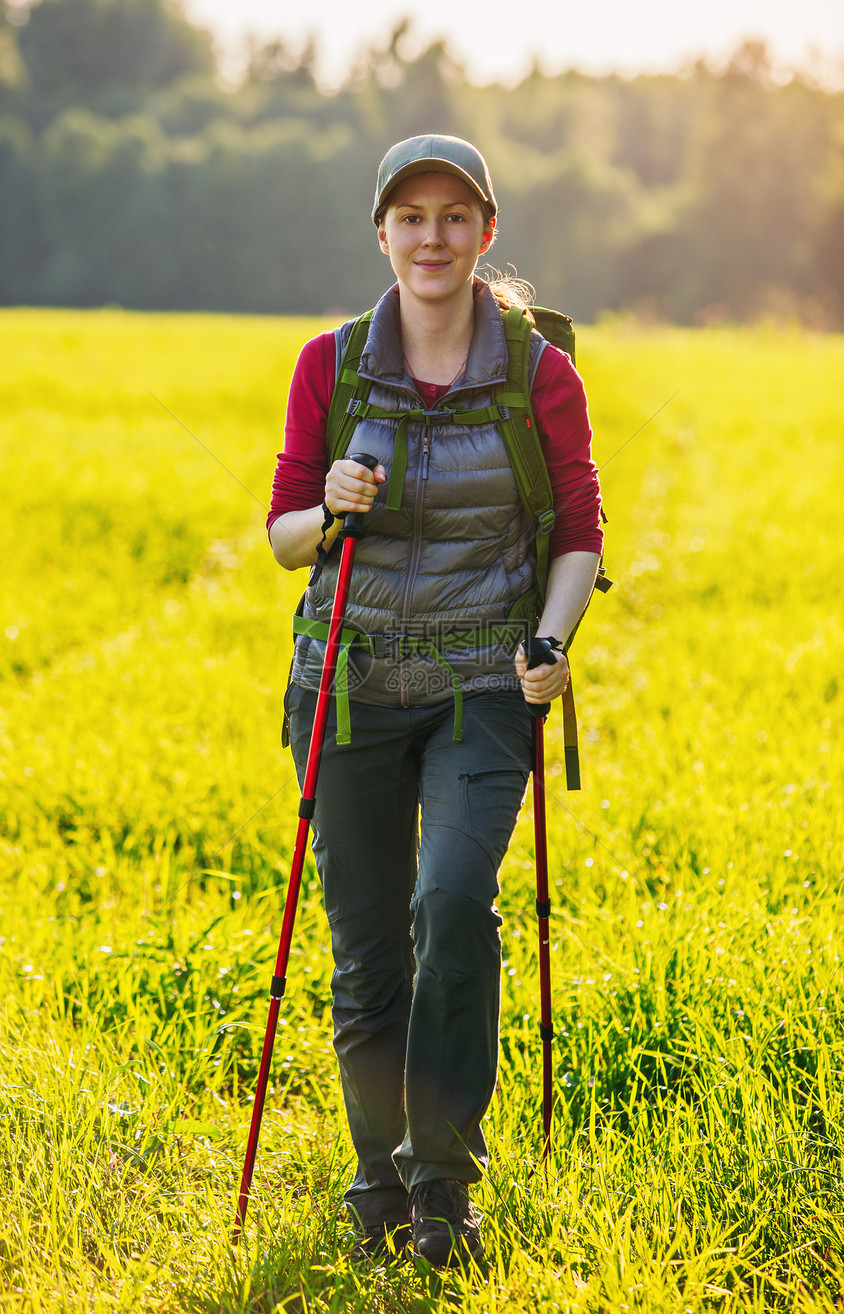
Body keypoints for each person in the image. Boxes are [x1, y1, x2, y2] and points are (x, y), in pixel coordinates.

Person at [267, 134, 604, 1267]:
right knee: (366, 952)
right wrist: (329, 505)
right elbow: (279, 541)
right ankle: (375, 1178)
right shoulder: (332, 364)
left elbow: (578, 535)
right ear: (381, 233)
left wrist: (550, 643)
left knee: (451, 907)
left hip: (479, 682)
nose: (431, 237)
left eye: (453, 217)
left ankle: (443, 1191)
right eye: (409, 217)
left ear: (485, 233)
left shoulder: (534, 372)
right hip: (348, 684)